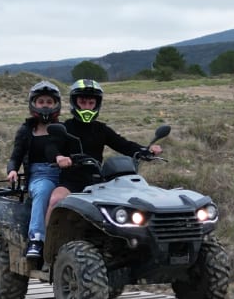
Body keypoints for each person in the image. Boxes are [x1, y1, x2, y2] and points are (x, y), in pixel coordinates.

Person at [46, 79, 162, 219]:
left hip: (99, 182)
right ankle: (44, 239)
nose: (87, 107)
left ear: (97, 104)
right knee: (56, 200)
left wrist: (146, 150)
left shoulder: (101, 129)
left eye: (91, 103)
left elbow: (123, 144)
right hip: (71, 182)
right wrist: (59, 157)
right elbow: (51, 147)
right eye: (83, 102)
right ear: (74, 102)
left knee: (124, 208)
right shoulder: (66, 127)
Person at [6, 80, 64, 259]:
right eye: (41, 102)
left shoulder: (63, 128)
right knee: (43, 190)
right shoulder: (26, 130)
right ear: (33, 104)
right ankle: (36, 240)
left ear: (56, 104)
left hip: (65, 174)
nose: (45, 106)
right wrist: (12, 170)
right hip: (39, 175)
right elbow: (16, 155)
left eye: (49, 102)